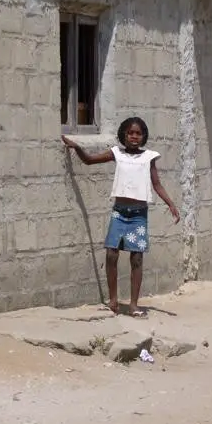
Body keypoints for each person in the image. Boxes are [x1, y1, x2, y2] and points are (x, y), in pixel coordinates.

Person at [61, 117, 180, 317]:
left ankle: (133, 305)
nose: (134, 137)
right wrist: (77, 147)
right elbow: (89, 160)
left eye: (138, 133)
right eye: (130, 133)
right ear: (123, 135)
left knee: (136, 258)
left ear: (143, 137)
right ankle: (113, 300)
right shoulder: (116, 153)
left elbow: (157, 184)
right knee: (111, 253)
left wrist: (171, 204)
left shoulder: (149, 157)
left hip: (138, 215)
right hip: (119, 212)